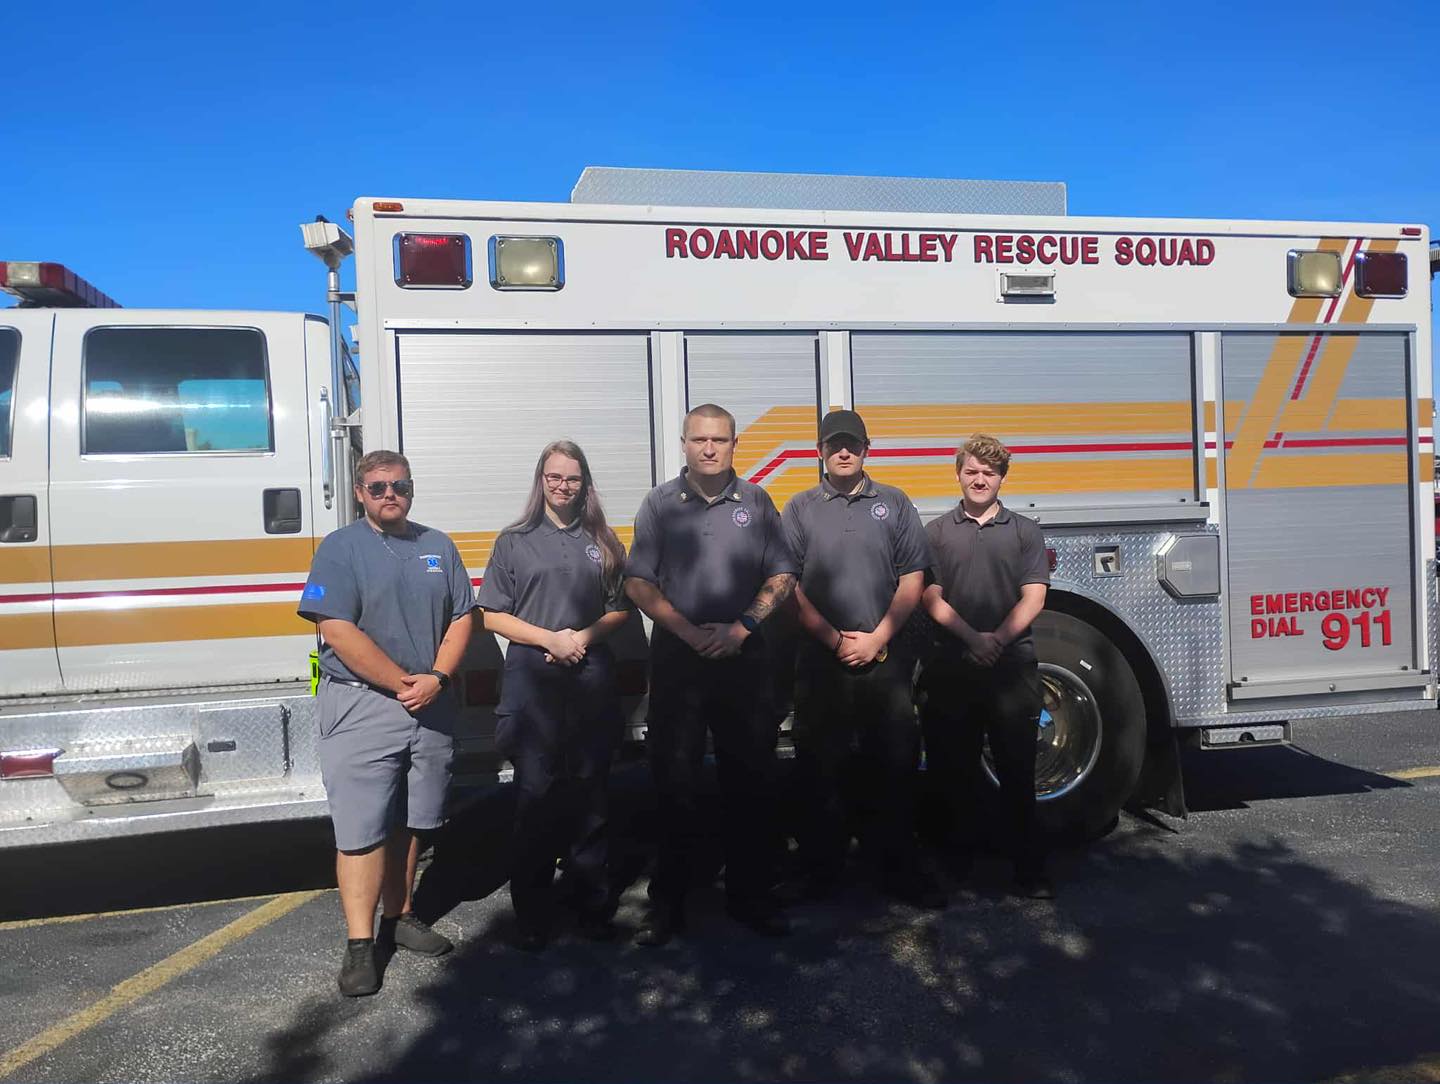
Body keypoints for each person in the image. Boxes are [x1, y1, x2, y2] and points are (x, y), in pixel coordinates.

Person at [298, 450, 475, 997]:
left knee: (412, 820)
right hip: (365, 703)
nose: (389, 494)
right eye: (377, 487)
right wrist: (405, 683)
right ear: (359, 493)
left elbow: (462, 617)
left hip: (429, 702)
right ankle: (360, 945)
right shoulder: (340, 548)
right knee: (361, 829)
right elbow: (336, 628)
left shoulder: (437, 545)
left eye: (399, 485)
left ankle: (399, 918)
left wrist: (437, 679)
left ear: (411, 488)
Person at [624, 403, 798, 945]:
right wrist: (688, 631)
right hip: (679, 661)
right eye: (699, 439)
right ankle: (670, 904)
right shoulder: (659, 504)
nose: (709, 448)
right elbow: (638, 582)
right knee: (674, 782)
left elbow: (783, 574)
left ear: (734, 445)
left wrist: (742, 628)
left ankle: (751, 897)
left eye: (719, 440)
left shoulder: (757, 501)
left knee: (750, 781)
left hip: (744, 660)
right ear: (684, 443)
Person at [782, 409, 944, 908]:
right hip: (820, 661)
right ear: (820, 452)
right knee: (819, 767)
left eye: (852, 444)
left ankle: (898, 868)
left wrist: (878, 638)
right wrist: (834, 640)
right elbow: (787, 585)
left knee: (894, 765)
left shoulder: (894, 503)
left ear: (867, 449)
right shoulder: (799, 508)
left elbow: (913, 578)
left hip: (884, 658)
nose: (843, 452)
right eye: (834, 445)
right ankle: (821, 870)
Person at [478, 440, 631, 950]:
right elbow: (492, 615)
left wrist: (579, 639)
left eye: (572, 478)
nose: (563, 486)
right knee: (535, 797)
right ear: (541, 481)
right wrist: (550, 639)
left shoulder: (603, 540)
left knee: (591, 796)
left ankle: (592, 906)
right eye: (554, 477)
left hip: (589, 675)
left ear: (585, 484)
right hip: (533, 681)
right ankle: (532, 913)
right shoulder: (514, 541)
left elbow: (620, 609)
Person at [919, 433, 1054, 899]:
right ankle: (955, 870)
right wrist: (972, 638)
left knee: (1017, 773)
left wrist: (996, 639)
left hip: (1011, 668)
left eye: (989, 473)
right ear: (958, 474)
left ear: (1002, 478)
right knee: (951, 775)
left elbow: (1034, 596)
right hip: (952, 667)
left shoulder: (1025, 531)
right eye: (972, 471)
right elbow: (929, 596)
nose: (980, 480)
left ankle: (1028, 872)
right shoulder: (936, 533)